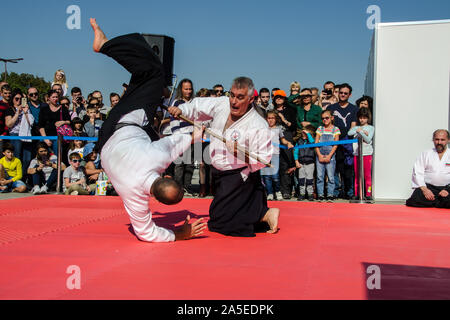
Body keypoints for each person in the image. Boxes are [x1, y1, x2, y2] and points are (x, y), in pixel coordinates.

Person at [91, 18, 205, 242]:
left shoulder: (156, 158)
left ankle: (105, 46)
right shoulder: (136, 197)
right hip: (109, 144)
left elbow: (174, 144)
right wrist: (178, 235)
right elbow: (146, 233)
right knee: (143, 86)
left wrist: (195, 135)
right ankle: (157, 92)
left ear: (165, 176)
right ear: (155, 198)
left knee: (153, 72)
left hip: (122, 124)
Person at [169, 76, 280, 236]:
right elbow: (198, 105)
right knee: (219, 215)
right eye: (232, 95)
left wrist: (240, 153)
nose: (233, 101)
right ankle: (263, 211)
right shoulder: (222, 103)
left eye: (240, 97)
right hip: (219, 171)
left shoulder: (258, 125)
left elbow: (264, 159)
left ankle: (264, 214)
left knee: (224, 224)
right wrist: (182, 110)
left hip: (240, 174)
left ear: (250, 99)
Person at [327, 83, 358, 199]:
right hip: (333, 141)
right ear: (338, 93)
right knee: (334, 168)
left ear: (349, 95)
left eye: (345, 93)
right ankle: (334, 192)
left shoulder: (354, 109)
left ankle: (349, 192)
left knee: (348, 169)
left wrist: (346, 138)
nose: (343, 95)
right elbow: (328, 125)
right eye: (341, 93)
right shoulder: (331, 108)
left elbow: (353, 127)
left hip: (348, 142)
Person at [406, 129, 450, 208]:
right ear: (433, 140)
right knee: (414, 199)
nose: (439, 142)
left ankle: (436, 202)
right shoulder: (426, 154)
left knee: (447, 198)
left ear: (448, 140)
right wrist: (425, 190)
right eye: (437, 139)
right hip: (429, 188)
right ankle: (439, 202)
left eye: (442, 140)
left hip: (447, 188)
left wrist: (448, 190)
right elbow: (417, 172)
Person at [171, 79, 196, 196]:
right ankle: (178, 187)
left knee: (190, 163)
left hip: (194, 136)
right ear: (181, 89)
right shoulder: (177, 102)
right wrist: (177, 135)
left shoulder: (195, 102)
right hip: (181, 136)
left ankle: (187, 187)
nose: (188, 91)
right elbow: (173, 120)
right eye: (186, 89)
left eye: (190, 89)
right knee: (179, 163)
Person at [261, 111, 293, 201]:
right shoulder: (263, 129)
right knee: (266, 176)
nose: (270, 120)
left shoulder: (278, 129)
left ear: (276, 119)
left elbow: (283, 140)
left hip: (275, 154)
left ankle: (278, 191)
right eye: (268, 118)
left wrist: (288, 143)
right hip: (265, 155)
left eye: (272, 118)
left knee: (275, 176)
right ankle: (270, 193)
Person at [273, 89, 297, 199]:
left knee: (286, 164)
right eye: (276, 97)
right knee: (273, 164)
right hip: (273, 136)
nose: (278, 99)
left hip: (286, 135)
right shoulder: (271, 110)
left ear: (284, 99)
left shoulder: (290, 110)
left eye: (281, 97)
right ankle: (273, 190)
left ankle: (286, 190)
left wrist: (283, 119)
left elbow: (293, 127)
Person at [348, 107, 375, 200]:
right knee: (357, 175)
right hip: (357, 154)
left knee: (367, 175)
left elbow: (368, 139)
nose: (362, 119)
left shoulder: (371, 128)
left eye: (364, 117)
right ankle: (357, 193)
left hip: (367, 154)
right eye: (360, 117)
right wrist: (358, 130)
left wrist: (362, 133)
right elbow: (350, 133)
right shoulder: (356, 127)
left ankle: (368, 193)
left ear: (368, 118)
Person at [315, 110, 340, 202]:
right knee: (320, 176)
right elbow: (316, 143)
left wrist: (329, 156)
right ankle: (320, 195)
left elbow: (335, 144)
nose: (325, 120)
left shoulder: (336, 129)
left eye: (327, 118)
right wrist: (319, 155)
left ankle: (330, 194)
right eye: (323, 118)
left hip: (331, 156)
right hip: (320, 155)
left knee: (331, 176)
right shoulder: (320, 129)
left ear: (332, 118)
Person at [294, 125, 316, 201]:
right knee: (301, 179)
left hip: (310, 163)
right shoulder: (299, 141)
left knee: (309, 179)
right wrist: (296, 161)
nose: (304, 133)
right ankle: (302, 193)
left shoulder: (311, 141)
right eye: (303, 132)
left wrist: (308, 134)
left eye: (306, 132)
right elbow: (296, 152)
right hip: (301, 163)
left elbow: (312, 143)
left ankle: (310, 194)